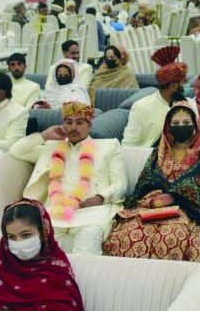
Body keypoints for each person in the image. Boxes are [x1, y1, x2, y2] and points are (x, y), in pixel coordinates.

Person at [103, 103, 200, 261]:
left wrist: (175, 196)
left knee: (171, 238)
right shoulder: (159, 151)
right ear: (168, 126)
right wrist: (154, 196)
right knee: (129, 235)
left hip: (186, 209)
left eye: (186, 123)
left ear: (195, 125)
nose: (181, 127)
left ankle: (167, 282)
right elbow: (145, 181)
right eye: (176, 124)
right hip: (153, 206)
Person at [7, 102, 125, 254]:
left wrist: (101, 197)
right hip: (55, 213)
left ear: (89, 125)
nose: (73, 127)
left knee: (87, 241)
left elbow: (121, 184)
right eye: (68, 122)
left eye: (80, 122)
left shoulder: (109, 146)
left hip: (92, 213)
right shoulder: (51, 147)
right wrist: (43, 135)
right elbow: (15, 151)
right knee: (41, 251)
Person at [123, 50, 189, 148]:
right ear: (174, 86)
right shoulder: (141, 107)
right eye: (183, 83)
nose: (186, 86)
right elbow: (128, 145)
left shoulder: (186, 103)